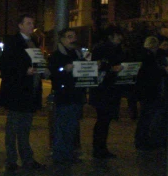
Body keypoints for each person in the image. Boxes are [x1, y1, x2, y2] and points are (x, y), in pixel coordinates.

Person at [0, 14, 49, 172]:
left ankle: (27, 158)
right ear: (20, 25)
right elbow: (5, 65)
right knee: (13, 128)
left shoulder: (33, 42)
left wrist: (43, 69)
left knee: (25, 128)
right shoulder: (13, 42)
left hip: (30, 91)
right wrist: (23, 70)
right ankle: (11, 160)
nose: (31, 26)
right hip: (16, 92)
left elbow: (37, 62)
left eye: (32, 23)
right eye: (28, 23)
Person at [48, 28, 86, 165]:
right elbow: (53, 73)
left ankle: (69, 153)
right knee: (62, 125)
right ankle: (59, 154)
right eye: (69, 37)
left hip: (76, 94)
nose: (73, 40)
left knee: (72, 126)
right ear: (62, 39)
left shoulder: (78, 54)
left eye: (74, 36)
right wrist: (64, 69)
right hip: (64, 95)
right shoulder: (57, 55)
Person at [89, 25, 125, 159]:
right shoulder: (105, 49)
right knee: (103, 120)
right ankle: (99, 148)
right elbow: (97, 65)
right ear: (111, 36)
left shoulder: (113, 48)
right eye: (117, 36)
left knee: (104, 120)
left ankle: (100, 147)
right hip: (104, 89)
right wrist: (111, 68)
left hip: (107, 89)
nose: (120, 38)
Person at [134, 36, 168, 150]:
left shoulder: (145, 55)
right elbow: (151, 73)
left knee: (146, 117)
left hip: (147, 91)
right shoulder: (148, 57)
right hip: (149, 91)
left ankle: (142, 140)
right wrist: (164, 70)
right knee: (147, 117)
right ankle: (142, 141)